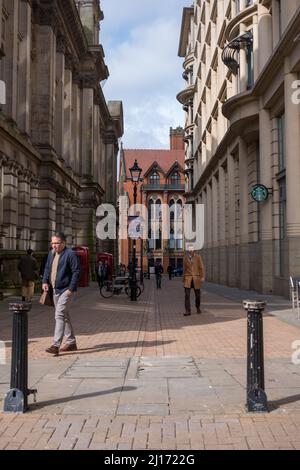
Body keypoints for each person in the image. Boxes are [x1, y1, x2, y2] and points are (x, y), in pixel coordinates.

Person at [42, 232, 80, 355]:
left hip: (66, 290)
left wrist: (71, 289)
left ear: (64, 243)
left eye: (57, 243)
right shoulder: (51, 253)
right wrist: (44, 281)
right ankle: (71, 342)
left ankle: (55, 345)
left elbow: (76, 272)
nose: (54, 245)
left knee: (59, 315)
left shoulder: (71, 254)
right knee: (64, 316)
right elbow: (47, 268)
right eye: (52, 243)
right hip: (55, 289)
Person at [183, 244, 205, 316]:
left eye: (192, 250)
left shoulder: (198, 257)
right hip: (188, 279)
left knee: (198, 296)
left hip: (196, 279)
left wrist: (202, 277)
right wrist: (183, 279)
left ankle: (197, 307)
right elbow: (184, 269)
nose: (190, 251)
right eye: (189, 250)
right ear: (188, 251)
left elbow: (201, 267)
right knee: (187, 295)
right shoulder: (185, 258)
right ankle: (187, 311)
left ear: (194, 250)